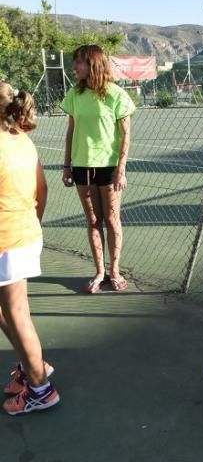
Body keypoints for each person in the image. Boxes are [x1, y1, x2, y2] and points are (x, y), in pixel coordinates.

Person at [0, 82, 60, 415]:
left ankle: (41, 389)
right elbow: (43, 189)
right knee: (11, 311)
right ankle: (32, 366)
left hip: (7, 240)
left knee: (16, 313)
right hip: (22, 234)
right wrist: (33, 224)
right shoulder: (21, 139)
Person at [60, 45, 135, 293]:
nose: (75, 67)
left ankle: (115, 271)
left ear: (94, 64)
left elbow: (125, 136)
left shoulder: (116, 94)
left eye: (79, 62)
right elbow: (71, 132)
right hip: (82, 167)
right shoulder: (74, 94)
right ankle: (99, 272)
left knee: (112, 220)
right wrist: (67, 166)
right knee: (93, 221)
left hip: (110, 168)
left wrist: (120, 169)